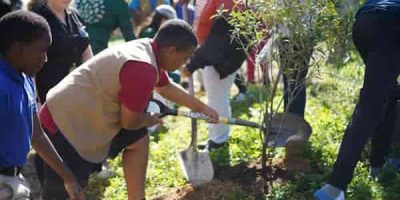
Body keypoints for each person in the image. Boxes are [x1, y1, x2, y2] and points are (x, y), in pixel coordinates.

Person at [37, 19, 219, 199]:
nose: (184, 63)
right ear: (171, 51)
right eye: (185, 57)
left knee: (138, 139)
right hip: (61, 123)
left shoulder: (148, 49)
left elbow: (165, 87)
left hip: (82, 113)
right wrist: (148, 119)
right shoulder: (143, 67)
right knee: (66, 193)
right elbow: (130, 122)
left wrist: (202, 108)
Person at [314, 1, 400, 199]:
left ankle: (379, 164)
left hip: (365, 20)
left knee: (384, 91)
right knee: (372, 102)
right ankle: (335, 187)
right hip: (391, 22)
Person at [0, 10, 83, 199]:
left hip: (13, 179)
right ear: (18, 48)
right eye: (42, 51)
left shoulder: (26, 79)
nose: (45, 59)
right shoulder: (2, 84)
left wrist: (68, 178)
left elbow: (36, 134)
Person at [181, 0, 247, 150]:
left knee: (217, 99)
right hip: (216, 57)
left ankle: (218, 141)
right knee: (216, 98)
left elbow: (218, 38)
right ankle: (216, 138)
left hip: (220, 59)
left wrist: (192, 65)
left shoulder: (227, 3)